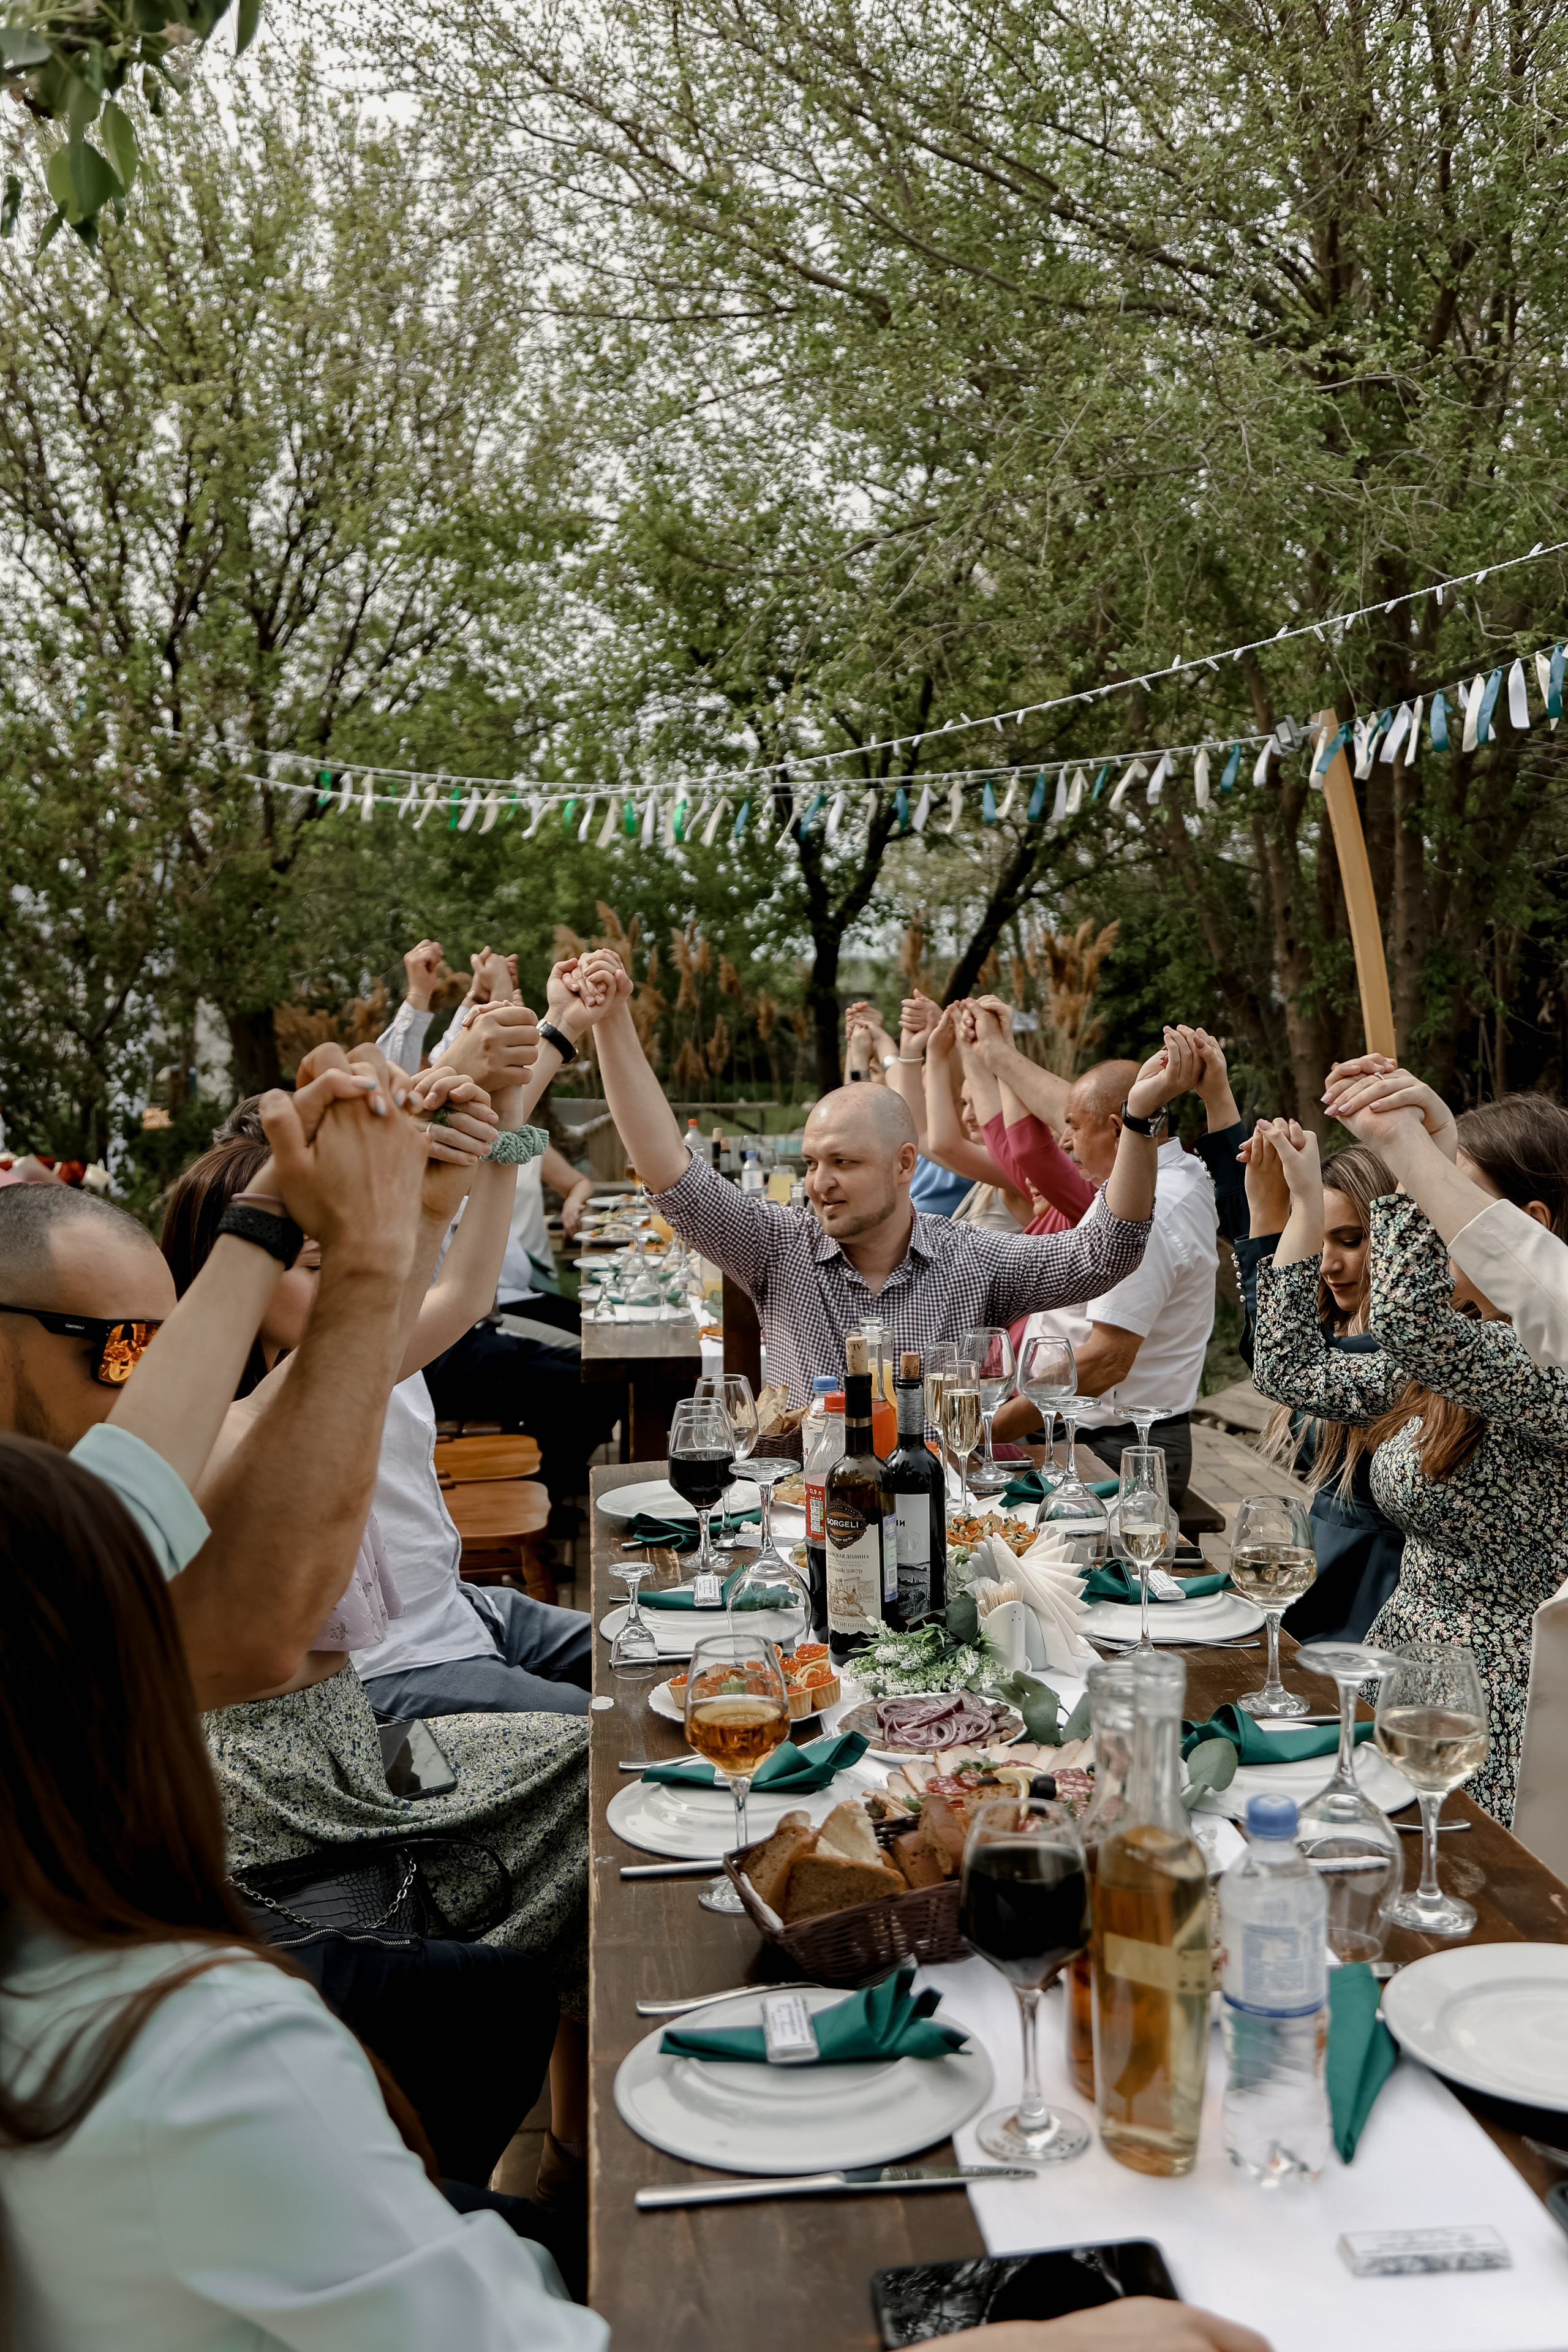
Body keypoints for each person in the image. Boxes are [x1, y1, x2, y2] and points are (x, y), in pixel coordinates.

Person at [0, 1434, 605, 2350]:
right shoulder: (208, 2039)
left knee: (503, 1979)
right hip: (485, 2302)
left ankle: (555, 2163)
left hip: (364, 1748)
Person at [568, 949, 1200, 1401]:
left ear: (904, 1165)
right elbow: (669, 1171)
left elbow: (1106, 1253)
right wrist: (613, 1022)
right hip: (804, 1531)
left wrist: (1139, 1122)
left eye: (844, 1163)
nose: (819, 1183)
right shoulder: (774, 1246)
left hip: (936, 1532)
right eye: (812, 1163)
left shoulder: (970, 1260)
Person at [1250, 1098, 1568, 1827]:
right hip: (1399, 1669)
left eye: (1444, 1201)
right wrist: (1302, 1201)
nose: (1425, 1227)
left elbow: (1405, 1320)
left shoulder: (1548, 1370)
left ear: (1530, 1229)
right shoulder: (1455, 1354)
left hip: (1498, 1706)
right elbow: (1288, 1368)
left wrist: (1406, 1153)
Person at [990, 1033, 1219, 1503]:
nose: (1065, 1141)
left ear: (1119, 1130)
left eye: (1073, 1126)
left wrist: (988, 1428)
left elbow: (1107, 1361)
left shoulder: (1150, 1209)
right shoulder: (1178, 1171)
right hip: (1107, 1435)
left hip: (1114, 1446)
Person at [1238, 1128, 1406, 1642]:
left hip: (1379, 1590)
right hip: (1317, 1567)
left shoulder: (1405, 1350)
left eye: (1352, 1241)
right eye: (1320, 1240)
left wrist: (1291, 1208)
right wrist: (1267, 1213)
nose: (1329, 1265)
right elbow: (1265, 1348)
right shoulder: (1332, 1331)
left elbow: (1283, 1364)